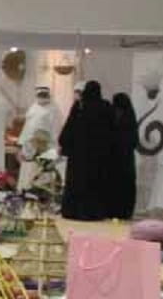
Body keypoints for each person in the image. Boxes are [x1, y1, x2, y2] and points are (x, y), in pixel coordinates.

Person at [59, 81, 122, 220]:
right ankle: (94, 212)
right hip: (99, 156)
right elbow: (113, 131)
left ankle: (73, 211)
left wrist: (64, 144)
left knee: (77, 183)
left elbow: (69, 128)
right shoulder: (106, 107)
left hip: (78, 155)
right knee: (95, 184)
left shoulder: (80, 106)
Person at [19, 86, 61, 195]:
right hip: (30, 146)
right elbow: (27, 127)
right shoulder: (33, 107)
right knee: (28, 171)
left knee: (42, 173)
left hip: (46, 146)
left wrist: (54, 146)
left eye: (44, 95)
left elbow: (56, 129)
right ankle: (25, 191)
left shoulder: (53, 109)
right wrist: (21, 144)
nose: (42, 97)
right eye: (40, 95)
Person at [109, 91, 142, 219]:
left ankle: (120, 211)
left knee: (121, 185)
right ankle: (121, 211)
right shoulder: (129, 117)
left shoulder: (121, 117)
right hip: (125, 159)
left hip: (120, 158)